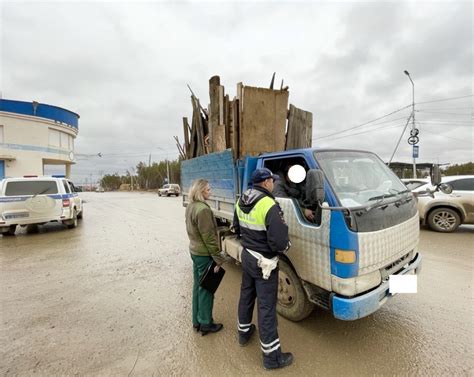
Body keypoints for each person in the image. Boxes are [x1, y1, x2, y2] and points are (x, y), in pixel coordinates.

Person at [233, 168, 293, 370]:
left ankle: (243, 333)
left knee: (246, 295)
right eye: (272, 180)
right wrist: (285, 246)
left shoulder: (241, 200)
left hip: (248, 256)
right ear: (266, 182)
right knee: (266, 308)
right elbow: (279, 242)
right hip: (264, 262)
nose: (274, 183)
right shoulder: (268, 204)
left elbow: (237, 229)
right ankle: (272, 358)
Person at [185, 179, 225, 336]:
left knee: (198, 286)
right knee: (207, 289)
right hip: (204, 254)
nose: (211, 191)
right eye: (208, 189)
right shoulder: (203, 210)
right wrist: (218, 258)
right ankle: (206, 323)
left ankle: (197, 320)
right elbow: (209, 238)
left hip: (194, 251)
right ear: (201, 192)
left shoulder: (191, 207)